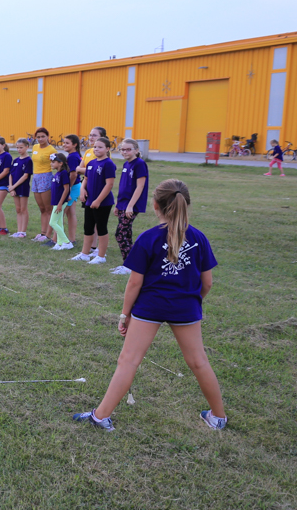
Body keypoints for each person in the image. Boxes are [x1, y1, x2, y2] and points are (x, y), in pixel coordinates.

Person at [73, 179, 226, 431]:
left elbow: (134, 284)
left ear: (155, 205)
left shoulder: (148, 238)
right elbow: (206, 283)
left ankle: (101, 416)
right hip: (185, 308)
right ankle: (218, 417)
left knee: (129, 360)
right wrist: (191, 301)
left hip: (149, 308)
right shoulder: (199, 237)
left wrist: (125, 315)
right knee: (199, 362)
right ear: (186, 204)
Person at [72, 136, 117, 265]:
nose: (96, 149)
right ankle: (84, 254)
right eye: (95, 147)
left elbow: (109, 184)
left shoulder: (108, 164)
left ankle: (101, 256)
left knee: (101, 227)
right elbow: (85, 179)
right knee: (88, 227)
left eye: (100, 147)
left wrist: (98, 200)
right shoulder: (91, 163)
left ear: (107, 149)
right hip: (89, 201)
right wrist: (82, 190)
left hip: (102, 202)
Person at [110, 139, 149, 276]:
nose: (125, 152)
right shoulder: (127, 164)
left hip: (131, 206)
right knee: (126, 234)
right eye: (122, 149)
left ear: (136, 150)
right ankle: (133, 264)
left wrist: (130, 206)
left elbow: (140, 186)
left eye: (128, 149)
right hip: (123, 204)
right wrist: (118, 204)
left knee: (120, 234)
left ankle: (129, 266)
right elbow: (124, 186)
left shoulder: (139, 164)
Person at [29, 128, 57, 242]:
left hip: (46, 177)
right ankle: (42, 232)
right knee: (41, 208)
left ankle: (49, 234)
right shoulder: (35, 147)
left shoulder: (51, 150)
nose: (40, 139)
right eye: (38, 137)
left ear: (47, 137)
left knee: (48, 208)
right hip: (35, 177)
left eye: (42, 137)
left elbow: (57, 164)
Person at [48, 153, 74, 250]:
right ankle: (59, 244)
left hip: (60, 202)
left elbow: (66, 189)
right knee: (58, 223)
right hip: (56, 201)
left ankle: (67, 242)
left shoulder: (63, 174)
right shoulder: (57, 173)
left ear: (60, 163)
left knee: (52, 222)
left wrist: (60, 204)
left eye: (53, 162)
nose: (51, 164)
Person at [61, 134, 83, 246]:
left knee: (61, 213)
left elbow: (73, 174)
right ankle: (71, 238)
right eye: (64, 142)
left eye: (67, 143)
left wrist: (67, 189)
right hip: (75, 186)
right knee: (71, 213)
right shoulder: (72, 155)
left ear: (75, 145)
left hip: (73, 186)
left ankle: (59, 239)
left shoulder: (72, 157)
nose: (64, 145)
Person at [8, 138, 32, 238]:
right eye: (17, 148)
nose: (19, 150)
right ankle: (18, 230)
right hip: (14, 188)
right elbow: (11, 174)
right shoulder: (16, 160)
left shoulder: (28, 160)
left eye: (21, 147)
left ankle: (23, 231)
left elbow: (25, 175)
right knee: (18, 209)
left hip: (23, 187)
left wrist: (14, 186)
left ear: (27, 147)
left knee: (23, 209)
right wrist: (11, 187)